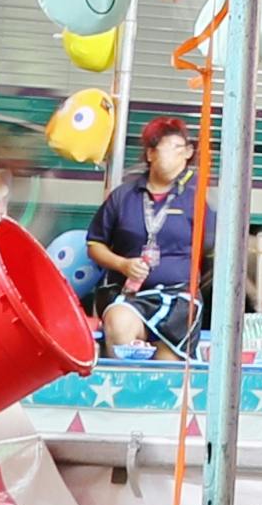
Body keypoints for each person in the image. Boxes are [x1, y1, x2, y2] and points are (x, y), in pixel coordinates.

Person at [79, 119, 208, 347]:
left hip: (179, 300)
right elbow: (94, 244)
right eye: (169, 148)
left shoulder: (196, 199)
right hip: (129, 297)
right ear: (150, 154)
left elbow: (214, 247)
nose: (178, 155)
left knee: (169, 370)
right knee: (119, 326)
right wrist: (122, 264)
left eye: (182, 149)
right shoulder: (123, 197)